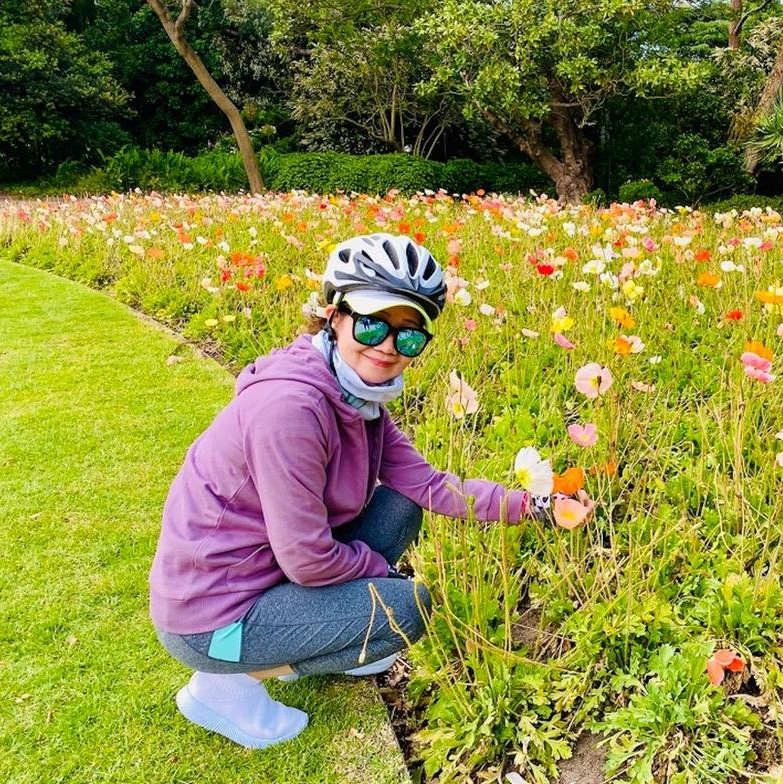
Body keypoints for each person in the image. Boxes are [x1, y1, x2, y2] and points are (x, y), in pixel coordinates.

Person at [149, 233, 595, 749]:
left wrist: (539, 505)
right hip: (213, 616)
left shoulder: (357, 400)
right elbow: (308, 561)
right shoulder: (290, 409)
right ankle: (225, 684)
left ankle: (325, 630)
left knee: (403, 503)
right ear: (333, 314)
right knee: (407, 609)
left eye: (408, 335)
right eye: (372, 322)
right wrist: (376, 572)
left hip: (264, 575)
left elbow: (428, 485)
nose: (387, 346)